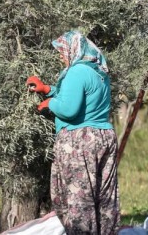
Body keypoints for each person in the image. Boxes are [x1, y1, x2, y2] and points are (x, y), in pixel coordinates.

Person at [26, 31, 120, 234]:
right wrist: (47, 89)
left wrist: (50, 102)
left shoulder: (76, 71)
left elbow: (69, 109)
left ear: (74, 49)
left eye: (62, 51)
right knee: (103, 198)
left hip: (79, 141)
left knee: (78, 200)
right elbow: (81, 96)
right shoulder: (98, 72)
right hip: (103, 136)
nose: (60, 55)